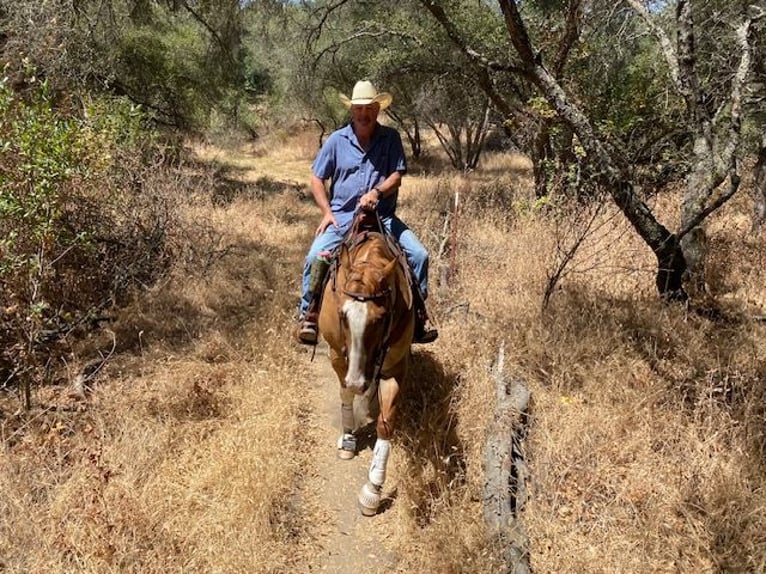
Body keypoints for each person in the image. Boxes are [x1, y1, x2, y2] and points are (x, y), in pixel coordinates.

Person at [297, 79, 438, 345]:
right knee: (317, 256)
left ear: (377, 109)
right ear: (352, 110)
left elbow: (396, 175)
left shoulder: (390, 138)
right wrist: (327, 212)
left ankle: (418, 316)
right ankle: (310, 315)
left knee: (419, 255)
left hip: (382, 218)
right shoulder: (337, 141)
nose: (364, 114)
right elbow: (317, 179)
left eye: (369, 108)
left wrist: (377, 193)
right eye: (359, 108)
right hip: (342, 218)